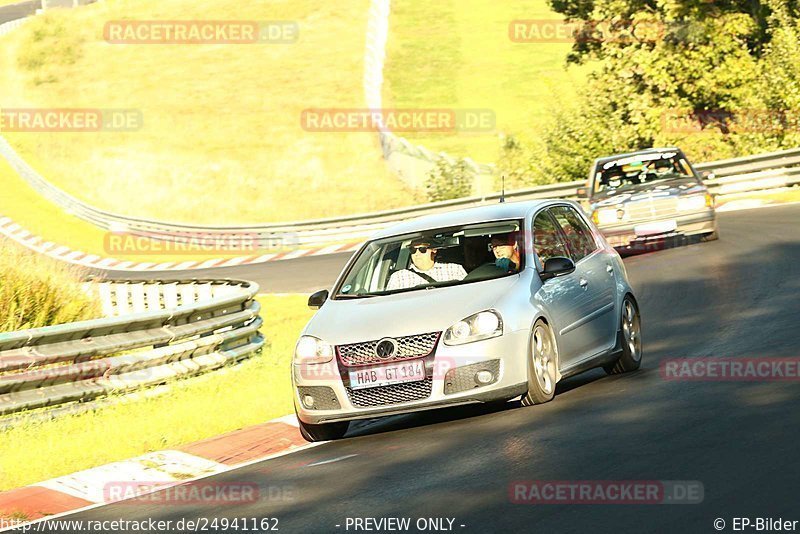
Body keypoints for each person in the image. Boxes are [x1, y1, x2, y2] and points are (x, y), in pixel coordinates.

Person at [386, 237, 467, 290]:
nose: (417, 253)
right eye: (413, 250)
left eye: (422, 249)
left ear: (434, 250)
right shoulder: (398, 278)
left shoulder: (454, 270)